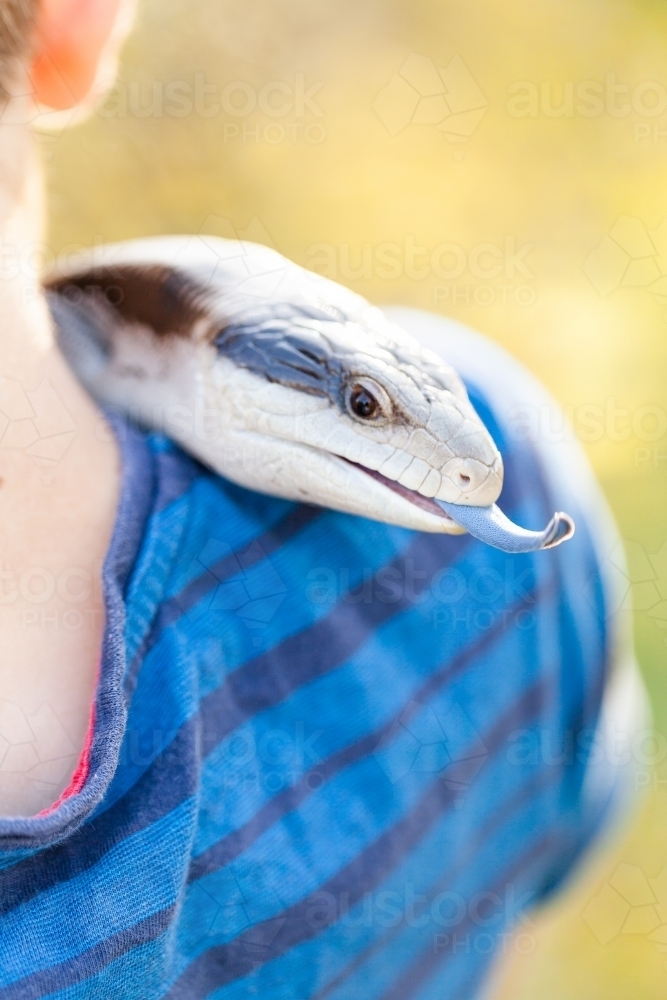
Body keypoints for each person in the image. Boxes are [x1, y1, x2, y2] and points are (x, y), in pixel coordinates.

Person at [0, 0, 647, 997]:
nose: (476, 474)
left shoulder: (488, 477)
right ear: (79, 21)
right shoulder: (501, 519)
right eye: (359, 405)